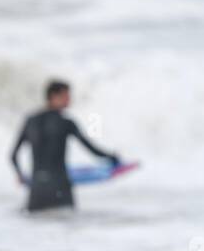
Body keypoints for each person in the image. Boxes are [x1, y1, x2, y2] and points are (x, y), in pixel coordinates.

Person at [10, 80, 121, 212]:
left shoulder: (30, 121)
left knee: (35, 230)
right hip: (60, 187)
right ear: (53, 96)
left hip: (37, 190)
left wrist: (20, 175)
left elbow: (13, 155)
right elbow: (91, 149)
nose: (70, 99)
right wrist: (113, 158)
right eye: (66, 96)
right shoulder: (66, 122)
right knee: (65, 230)